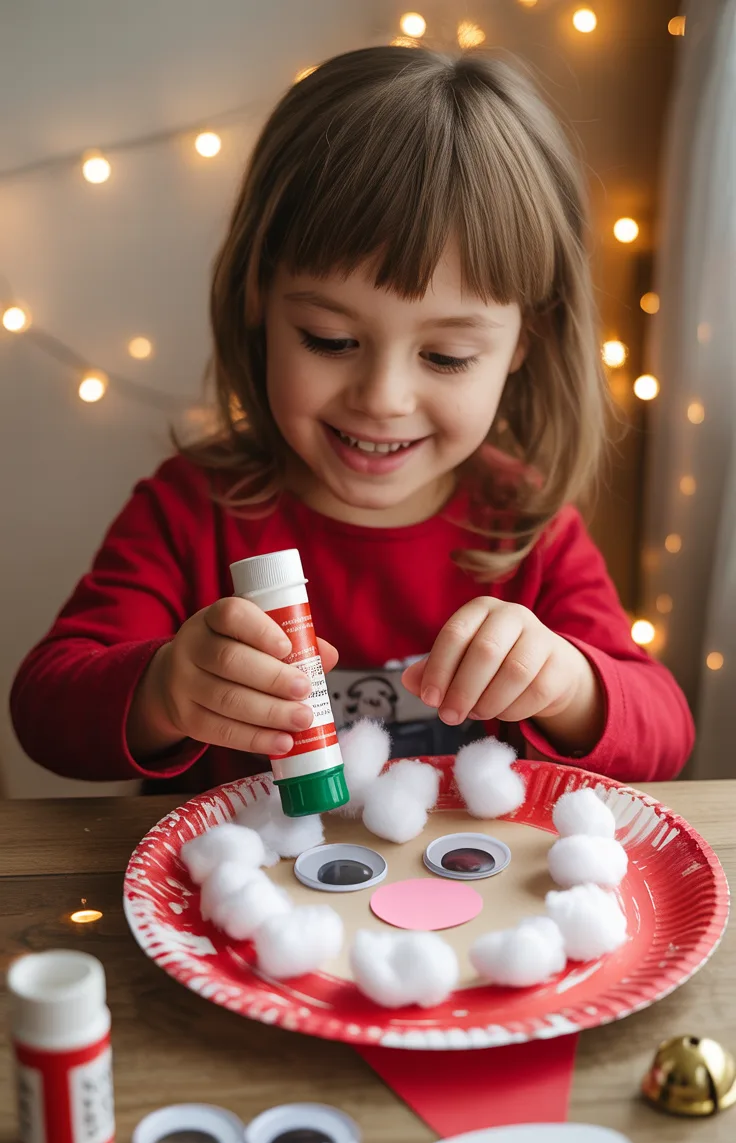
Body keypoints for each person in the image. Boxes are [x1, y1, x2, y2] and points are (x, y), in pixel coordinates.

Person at [10, 46, 694, 795]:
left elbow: (666, 730)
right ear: (257, 298)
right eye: (331, 341)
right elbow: (45, 707)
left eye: (447, 355)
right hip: (245, 898)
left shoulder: (525, 527)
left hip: (460, 903)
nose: (382, 397)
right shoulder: (189, 512)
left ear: (523, 342)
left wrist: (568, 685)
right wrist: (165, 688)